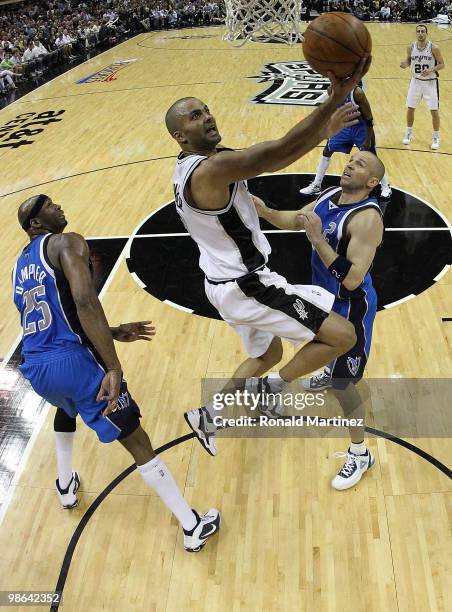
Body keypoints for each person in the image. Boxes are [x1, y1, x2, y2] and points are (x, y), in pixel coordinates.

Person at [165, 59, 370, 456]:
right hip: (248, 286)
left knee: (270, 353)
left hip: (221, 283)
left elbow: (264, 156)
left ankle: (208, 417)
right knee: (343, 336)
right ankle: (271, 388)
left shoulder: (189, 166)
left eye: (205, 109)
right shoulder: (208, 170)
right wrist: (331, 107)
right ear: (180, 136)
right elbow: (277, 153)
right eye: (194, 116)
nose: (206, 117)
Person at [12, 194, 220, 553]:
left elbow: (59, 318)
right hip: (72, 363)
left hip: (34, 367)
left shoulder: (21, 263)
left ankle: (65, 485)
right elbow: (84, 301)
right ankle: (191, 525)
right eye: (47, 205)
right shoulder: (67, 241)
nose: (58, 206)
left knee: (67, 407)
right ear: (35, 223)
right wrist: (113, 365)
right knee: (136, 438)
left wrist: (111, 332)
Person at [254, 150, 385, 489]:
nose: (350, 164)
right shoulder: (329, 196)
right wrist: (264, 211)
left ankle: (360, 454)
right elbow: (295, 218)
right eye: (351, 160)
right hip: (323, 297)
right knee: (316, 345)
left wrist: (316, 240)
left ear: (372, 182)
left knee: (345, 383)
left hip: (351, 305)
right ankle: (303, 377)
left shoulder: (367, 219)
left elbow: (353, 279)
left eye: (360, 165)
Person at [300, 84, 391, 199]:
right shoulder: (331, 90)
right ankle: (316, 185)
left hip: (361, 128)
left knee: (372, 156)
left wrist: (368, 139)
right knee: (327, 151)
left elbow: (369, 118)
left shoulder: (357, 93)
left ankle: (386, 186)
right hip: (343, 127)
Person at [400, 24, 445, 150]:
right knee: (410, 108)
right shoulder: (410, 47)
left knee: (434, 111)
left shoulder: (434, 48)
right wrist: (406, 63)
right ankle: (408, 133)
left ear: (426, 33)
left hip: (430, 83)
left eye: (423, 31)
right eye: (418, 31)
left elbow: (442, 64)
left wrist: (431, 70)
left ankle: (436, 137)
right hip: (415, 82)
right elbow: (409, 60)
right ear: (416, 33)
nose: (420, 33)